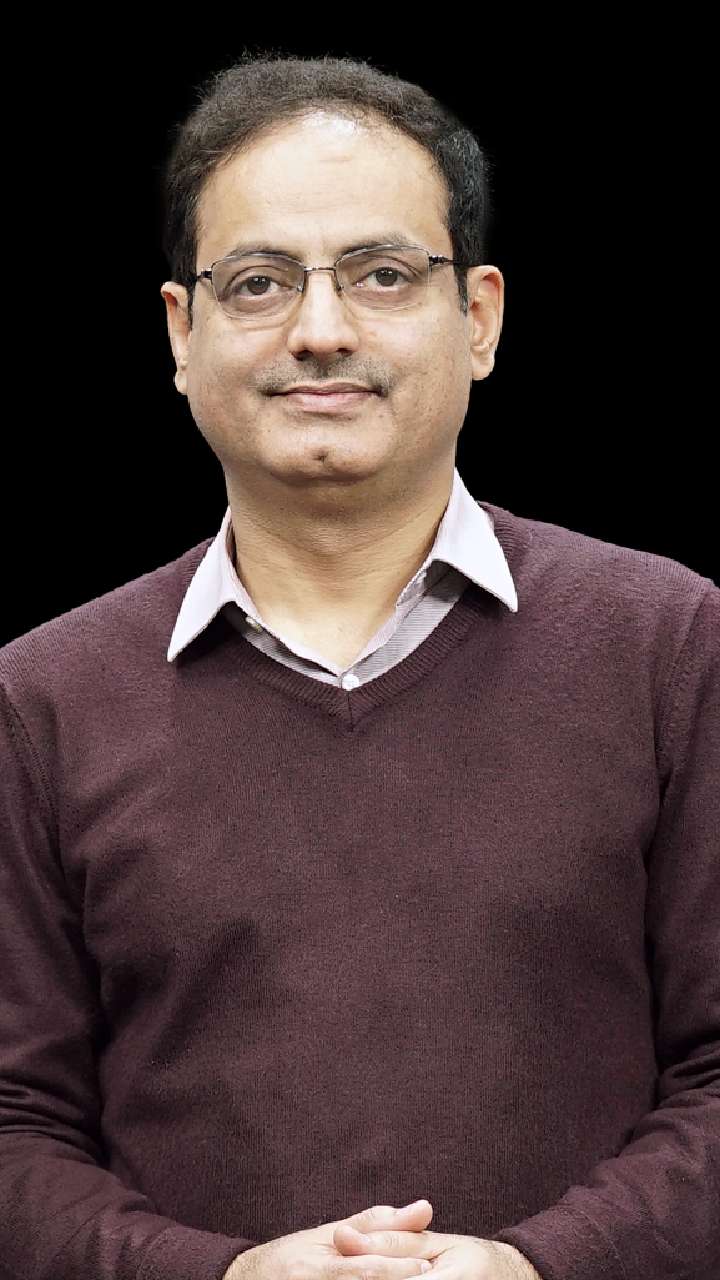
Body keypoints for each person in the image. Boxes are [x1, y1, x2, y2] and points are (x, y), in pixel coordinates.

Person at [0, 51, 717, 1280]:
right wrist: (221, 1274)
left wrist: (541, 1265)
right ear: (180, 331)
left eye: (382, 274)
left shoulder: (670, 645)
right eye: (259, 283)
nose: (320, 331)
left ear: (479, 316)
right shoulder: (43, 699)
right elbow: (15, 1127)